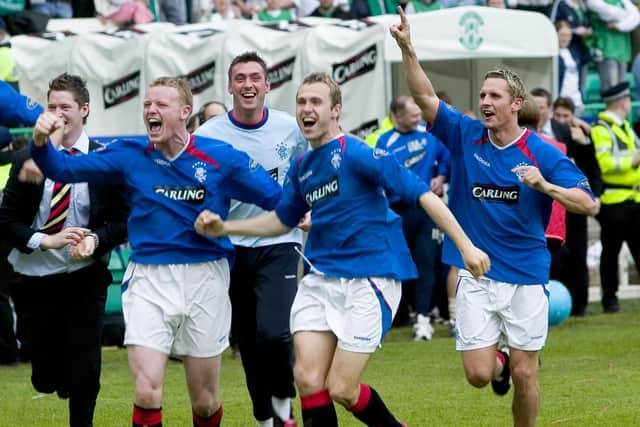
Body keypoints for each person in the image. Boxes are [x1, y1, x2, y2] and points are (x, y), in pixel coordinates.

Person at [195, 71, 490, 427]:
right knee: (306, 378)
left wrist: (467, 246)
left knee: (342, 388)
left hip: (371, 278)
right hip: (321, 281)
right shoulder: (303, 166)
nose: (306, 108)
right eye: (302, 101)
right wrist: (226, 227)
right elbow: (280, 221)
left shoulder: (357, 153)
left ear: (336, 110)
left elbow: (423, 194)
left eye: (316, 101)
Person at [29, 76, 283, 427]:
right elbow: (61, 168)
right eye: (147, 104)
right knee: (147, 391)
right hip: (149, 277)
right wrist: (41, 141)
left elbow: (277, 199)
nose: (151, 110)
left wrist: (310, 213)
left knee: (205, 402)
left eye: (160, 105)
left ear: (185, 112)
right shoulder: (129, 154)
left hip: (205, 276)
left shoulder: (220, 157)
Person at [390, 7, 597, 427]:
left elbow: (588, 203)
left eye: (494, 96)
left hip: (526, 272)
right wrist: (409, 50)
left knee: (526, 372)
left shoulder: (541, 152)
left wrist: (546, 187)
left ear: (516, 104)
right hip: (476, 273)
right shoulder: (465, 134)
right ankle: (497, 361)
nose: (484, 101)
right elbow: (427, 98)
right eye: (482, 95)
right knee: (478, 374)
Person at [0, 73, 129, 426]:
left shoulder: (105, 161)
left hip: (83, 275)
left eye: (65, 107)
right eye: (51, 106)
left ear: (84, 110)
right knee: (45, 376)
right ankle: (55, 378)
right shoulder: (28, 159)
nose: (57, 114)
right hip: (33, 277)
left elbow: (122, 221)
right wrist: (47, 239)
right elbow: (5, 220)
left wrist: (96, 240)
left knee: (85, 366)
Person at [195, 51, 307, 427]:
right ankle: (265, 418)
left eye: (254, 77)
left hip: (279, 239)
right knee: (249, 342)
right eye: (240, 78)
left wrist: (313, 209)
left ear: (267, 85)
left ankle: (283, 404)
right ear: (229, 86)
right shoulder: (208, 135)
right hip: (230, 246)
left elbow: (313, 169)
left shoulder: (290, 128)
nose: (247, 84)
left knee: (274, 333)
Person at [375, 95, 450, 340]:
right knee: (399, 267)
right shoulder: (385, 142)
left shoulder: (429, 136)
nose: (418, 116)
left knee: (426, 262)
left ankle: (423, 319)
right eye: (412, 113)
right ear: (397, 116)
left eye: (419, 112)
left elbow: (448, 156)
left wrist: (441, 176)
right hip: (397, 212)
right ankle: (395, 316)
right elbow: (378, 175)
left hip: (426, 210)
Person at [590, 81, 640, 313]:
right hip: (614, 201)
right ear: (622, 102)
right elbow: (606, 164)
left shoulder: (625, 127)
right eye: (628, 99)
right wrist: (633, 160)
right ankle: (610, 300)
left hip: (633, 198)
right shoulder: (602, 129)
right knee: (611, 253)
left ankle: (612, 299)